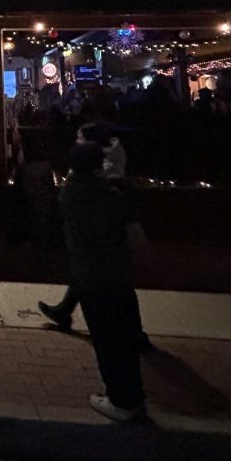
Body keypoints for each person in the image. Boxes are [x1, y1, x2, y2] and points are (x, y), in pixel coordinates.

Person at [53, 139, 146, 422]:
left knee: (107, 338)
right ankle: (130, 395)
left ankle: (121, 399)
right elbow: (130, 229)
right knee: (121, 336)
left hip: (91, 275)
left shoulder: (72, 193)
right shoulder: (109, 194)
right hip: (116, 274)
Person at [39, 125, 153, 353]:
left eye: (80, 139)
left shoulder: (85, 189)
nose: (77, 141)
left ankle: (125, 350)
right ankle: (132, 336)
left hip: (98, 256)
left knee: (106, 300)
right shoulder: (103, 186)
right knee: (117, 292)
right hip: (106, 256)